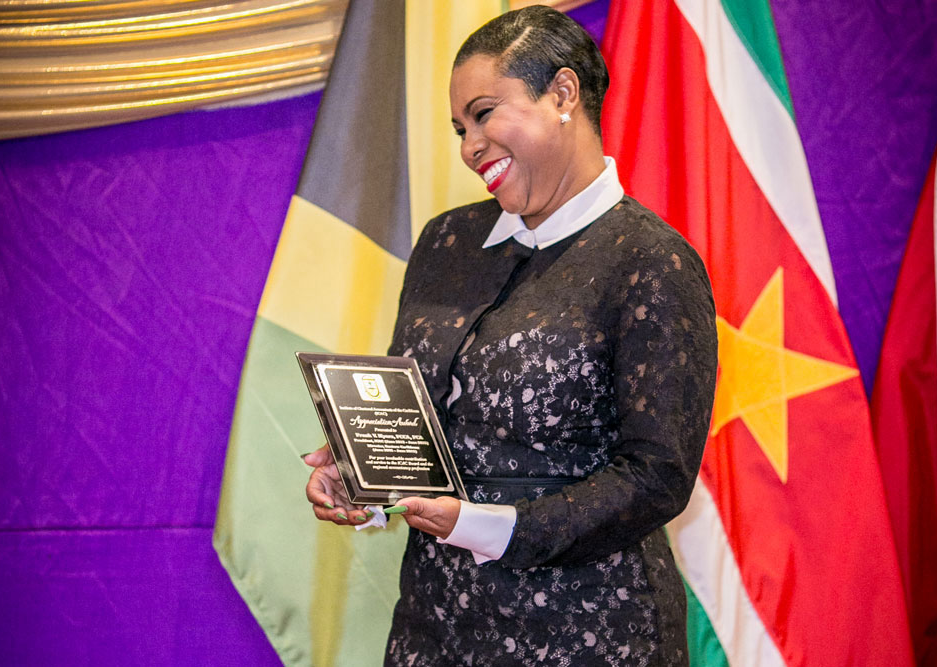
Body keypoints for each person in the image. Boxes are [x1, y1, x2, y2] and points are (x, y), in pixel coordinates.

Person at [305, 6, 717, 665]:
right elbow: (416, 419)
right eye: (459, 128)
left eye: (484, 114)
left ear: (563, 94)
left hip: (589, 633)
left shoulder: (651, 260)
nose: (469, 146)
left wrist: (489, 527)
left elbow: (657, 476)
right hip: (433, 629)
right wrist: (365, 474)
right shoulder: (446, 241)